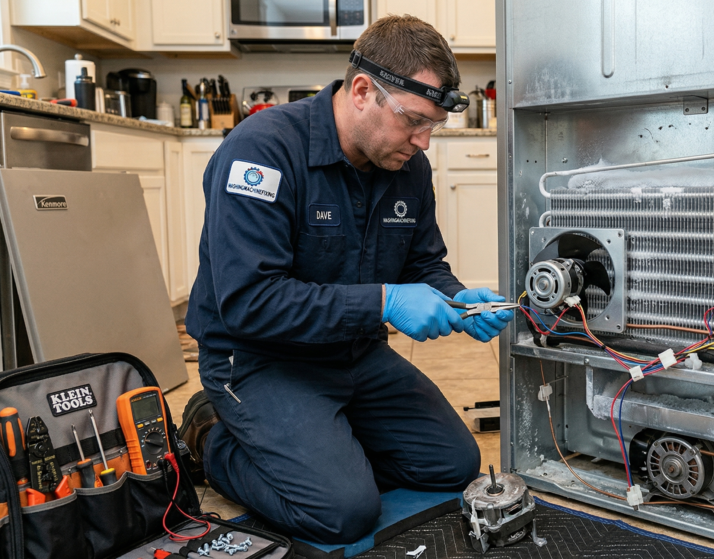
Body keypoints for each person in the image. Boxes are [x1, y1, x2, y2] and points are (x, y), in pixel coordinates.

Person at [179, 15, 512, 544]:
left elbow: (422, 264)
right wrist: (384, 302)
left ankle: (325, 440)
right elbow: (249, 302)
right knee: (342, 512)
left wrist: (457, 299)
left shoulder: (407, 166)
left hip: (354, 353)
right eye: (414, 120)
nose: (424, 141)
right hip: (260, 360)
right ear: (362, 91)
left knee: (452, 464)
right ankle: (211, 438)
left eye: (433, 125)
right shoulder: (262, 151)